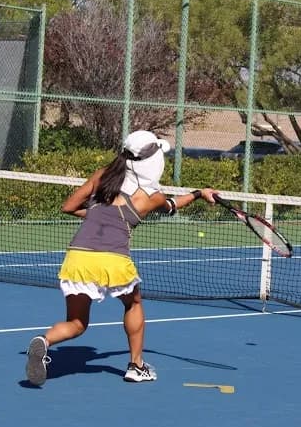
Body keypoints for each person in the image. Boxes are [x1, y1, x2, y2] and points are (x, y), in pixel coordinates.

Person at [25, 130, 217, 386]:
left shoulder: (102, 176)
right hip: (113, 259)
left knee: (77, 323)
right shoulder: (151, 197)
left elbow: (68, 207)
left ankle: (44, 340)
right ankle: (136, 366)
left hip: (77, 257)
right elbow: (171, 206)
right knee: (133, 304)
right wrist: (199, 194)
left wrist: (99, 215)